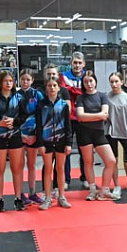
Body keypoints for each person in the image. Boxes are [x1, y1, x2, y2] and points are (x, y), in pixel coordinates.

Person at [0, 70, 26, 212]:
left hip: (15, 136)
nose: (8, 83)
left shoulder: (19, 98)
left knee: (16, 168)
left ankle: (18, 198)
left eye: (10, 81)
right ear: (0, 82)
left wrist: (14, 121)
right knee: (0, 169)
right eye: (5, 81)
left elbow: (24, 116)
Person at [76, 71, 117, 200]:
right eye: (86, 82)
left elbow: (105, 115)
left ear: (95, 81)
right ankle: (92, 189)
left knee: (111, 161)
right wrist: (98, 116)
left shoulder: (102, 96)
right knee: (88, 161)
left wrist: (91, 116)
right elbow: (80, 116)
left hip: (98, 133)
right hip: (84, 133)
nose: (89, 84)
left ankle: (104, 190)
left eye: (91, 81)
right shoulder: (80, 98)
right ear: (83, 84)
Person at [36, 76, 73, 209]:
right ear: (46, 88)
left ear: (59, 88)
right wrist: (40, 144)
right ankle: (47, 198)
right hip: (46, 141)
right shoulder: (41, 105)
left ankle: (61, 196)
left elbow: (68, 126)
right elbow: (38, 126)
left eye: (54, 85)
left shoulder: (63, 105)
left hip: (61, 141)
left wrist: (69, 143)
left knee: (60, 168)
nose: (52, 88)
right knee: (48, 169)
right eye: (49, 85)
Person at [105, 72, 127, 199]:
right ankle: (116, 185)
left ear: (121, 82)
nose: (114, 84)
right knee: (113, 160)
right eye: (112, 82)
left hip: (126, 132)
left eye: (116, 81)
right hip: (111, 133)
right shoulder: (107, 97)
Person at [60, 52, 88, 188]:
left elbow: (89, 90)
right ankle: (66, 180)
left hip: (84, 117)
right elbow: (64, 91)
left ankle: (85, 178)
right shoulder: (63, 76)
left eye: (79, 63)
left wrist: (73, 89)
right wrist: (80, 90)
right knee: (66, 150)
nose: (77, 65)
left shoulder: (87, 76)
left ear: (83, 64)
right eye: (75, 62)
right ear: (71, 63)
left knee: (85, 150)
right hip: (68, 117)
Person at [44, 63, 71, 200]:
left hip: (61, 135)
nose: (51, 76)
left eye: (53, 74)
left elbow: (67, 115)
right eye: (49, 74)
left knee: (61, 166)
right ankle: (47, 193)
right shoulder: (42, 96)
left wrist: (68, 142)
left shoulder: (64, 94)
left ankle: (60, 192)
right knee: (47, 166)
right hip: (47, 137)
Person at [18, 69, 44, 205]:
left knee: (31, 164)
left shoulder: (37, 94)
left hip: (33, 134)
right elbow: (12, 116)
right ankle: (20, 193)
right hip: (19, 135)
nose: (25, 82)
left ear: (32, 80)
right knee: (19, 165)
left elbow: (42, 115)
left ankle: (32, 193)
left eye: (28, 79)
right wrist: (20, 134)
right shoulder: (15, 95)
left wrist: (36, 135)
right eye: (23, 79)